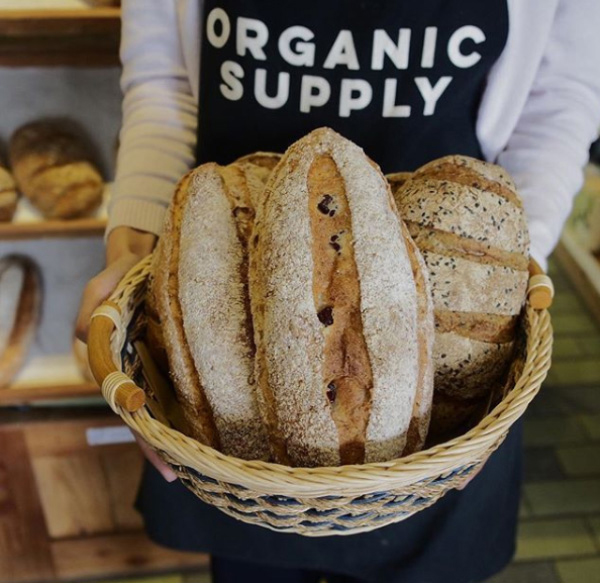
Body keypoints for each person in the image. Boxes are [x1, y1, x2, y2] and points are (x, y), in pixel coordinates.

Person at [76, 1, 600, 581]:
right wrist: (134, 248)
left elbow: (560, 97)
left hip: (445, 373)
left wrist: (503, 263)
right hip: (222, 324)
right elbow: (163, 80)